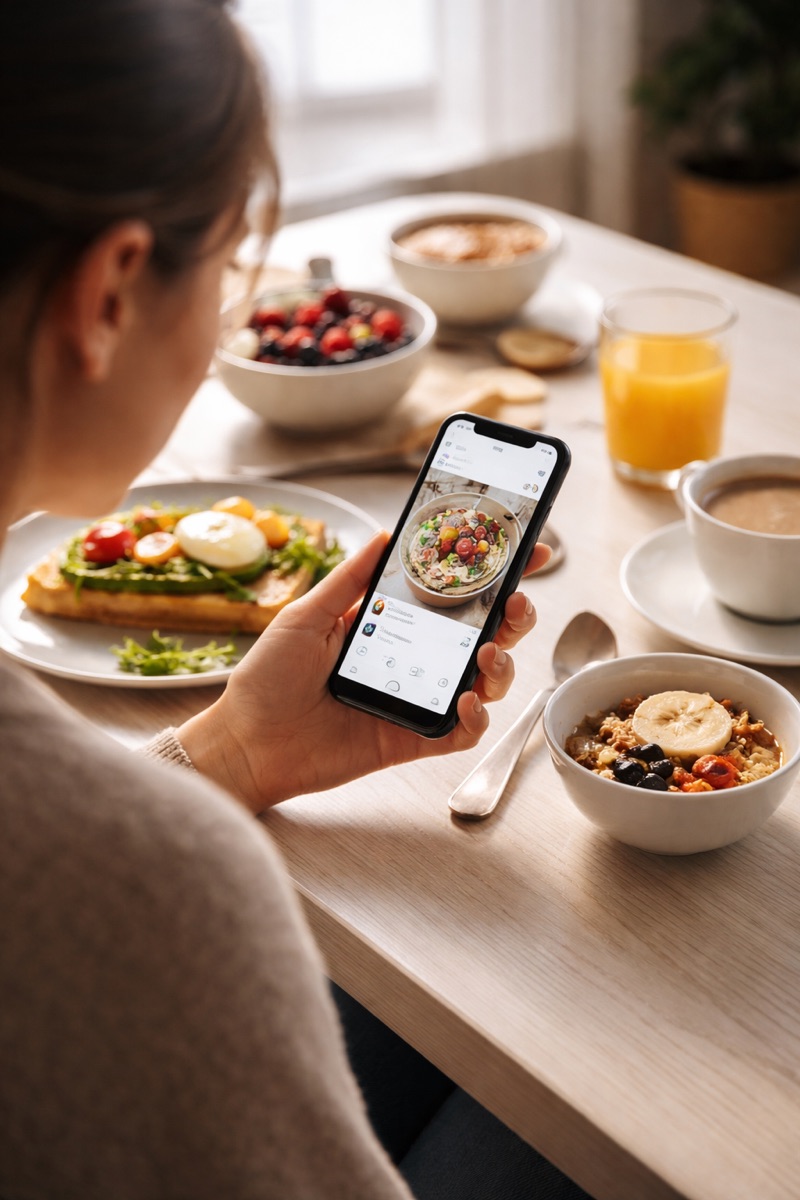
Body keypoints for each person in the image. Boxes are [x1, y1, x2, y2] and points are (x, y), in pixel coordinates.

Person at [0, 3, 591, 1197]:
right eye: (228, 268)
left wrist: (233, 751)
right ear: (110, 293)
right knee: (571, 1085)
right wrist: (177, 830)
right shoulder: (154, 881)